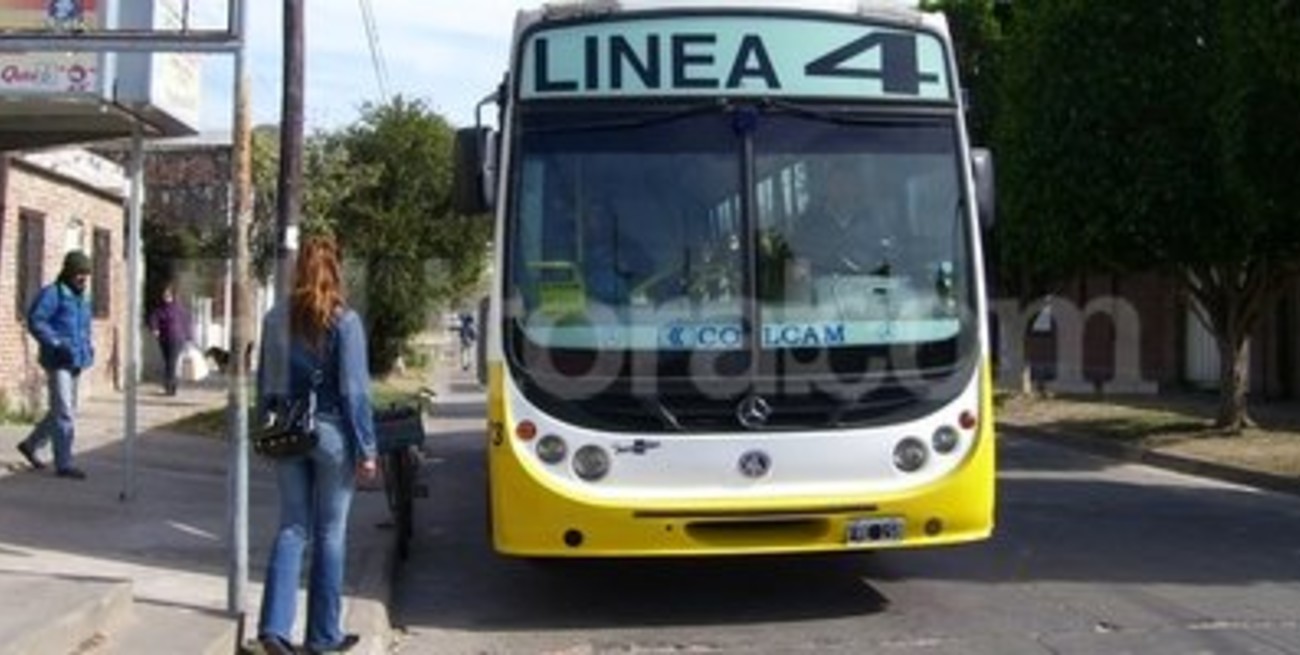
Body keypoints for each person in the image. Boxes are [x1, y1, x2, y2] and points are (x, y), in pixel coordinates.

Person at [256, 236, 378, 655]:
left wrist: (264, 428)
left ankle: (273, 629)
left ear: (298, 271)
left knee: (291, 527)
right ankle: (323, 636)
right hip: (331, 436)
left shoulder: (274, 319)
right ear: (335, 270)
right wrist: (367, 448)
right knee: (330, 533)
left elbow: (266, 383)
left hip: (288, 432)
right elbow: (355, 392)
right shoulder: (344, 322)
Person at [15, 250, 95, 480]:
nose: (83, 278)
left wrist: (88, 348)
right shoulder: (53, 294)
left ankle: (31, 445)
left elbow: (84, 328)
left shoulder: (83, 298)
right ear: (68, 272)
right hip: (58, 360)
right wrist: (55, 342)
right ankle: (64, 463)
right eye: (79, 273)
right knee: (65, 411)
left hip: (76, 360)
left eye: (86, 274)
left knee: (62, 410)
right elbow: (36, 320)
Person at [147, 285, 190, 395]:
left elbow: (186, 323)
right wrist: (154, 328)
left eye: (168, 295)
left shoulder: (179, 309)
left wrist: (188, 337)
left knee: (171, 362)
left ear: (172, 296)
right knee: (168, 362)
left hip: (177, 339)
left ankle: (171, 386)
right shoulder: (160, 308)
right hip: (164, 339)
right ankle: (170, 385)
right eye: (164, 295)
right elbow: (153, 318)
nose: (165, 297)